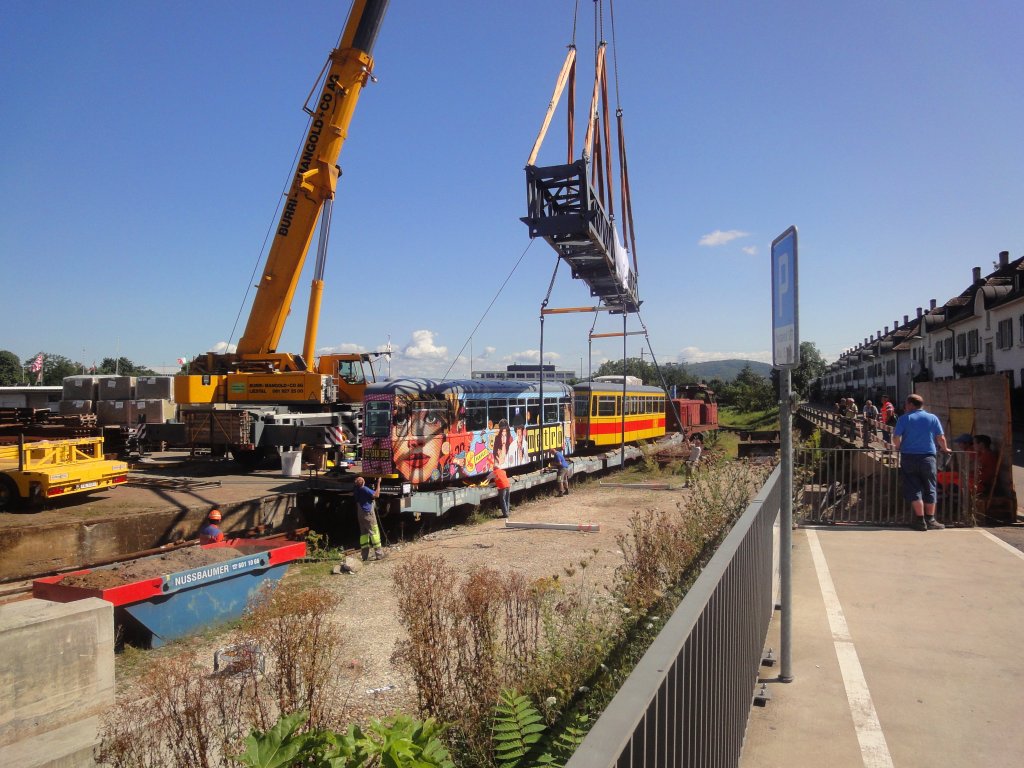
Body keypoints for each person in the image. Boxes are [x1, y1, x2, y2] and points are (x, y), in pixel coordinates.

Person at [893, 393, 952, 530]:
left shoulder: (904, 419)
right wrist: (945, 449)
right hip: (928, 457)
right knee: (930, 487)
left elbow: (896, 437)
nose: (905, 407)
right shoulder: (932, 418)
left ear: (911, 404)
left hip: (909, 457)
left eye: (906, 404)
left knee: (914, 487)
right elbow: (940, 438)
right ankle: (930, 520)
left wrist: (898, 447)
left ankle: (920, 521)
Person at [353, 476, 386, 561]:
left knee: (364, 535)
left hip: (360, 514)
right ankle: (379, 555)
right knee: (374, 533)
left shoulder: (356, 489)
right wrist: (378, 483)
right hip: (368, 514)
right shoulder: (364, 489)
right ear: (363, 482)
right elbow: (376, 495)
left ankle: (364, 556)